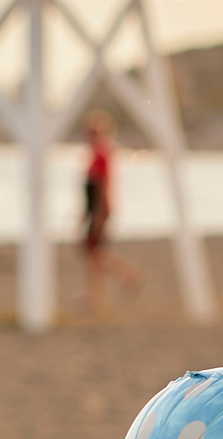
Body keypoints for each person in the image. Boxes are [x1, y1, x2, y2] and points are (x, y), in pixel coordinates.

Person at [80, 111, 141, 316]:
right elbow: (89, 188)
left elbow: (102, 187)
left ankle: (126, 278)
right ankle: (97, 297)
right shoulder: (94, 154)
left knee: (96, 255)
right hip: (95, 208)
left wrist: (98, 215)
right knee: (95, 255)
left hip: (101, 209)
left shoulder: (102, 154)